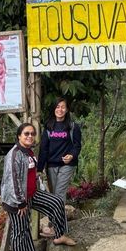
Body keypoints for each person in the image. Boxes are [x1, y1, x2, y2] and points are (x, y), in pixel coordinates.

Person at [0, 122, 76, 251]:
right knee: (21, 231)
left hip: (32, 194)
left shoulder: (28, 152)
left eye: (32, 134)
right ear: (19, 136)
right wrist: (20, 203)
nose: (29, 136)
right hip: (17, 200)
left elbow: (32, 175)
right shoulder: (14, 154)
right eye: (26, 134)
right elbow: (12, 180)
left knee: (56, 202)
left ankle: (59, 235)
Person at [37, 97, 82, 236]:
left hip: (66, 165)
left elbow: (77, 146)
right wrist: (39, 169)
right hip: (51, 165)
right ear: (54, 109)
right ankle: (57, 225)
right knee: (53, 196)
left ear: (67, 109)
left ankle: (57, 228)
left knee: (59, 194)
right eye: (57, 107)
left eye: (63, 107)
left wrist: (71, 156)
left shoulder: (73, 126)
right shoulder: (49, 127)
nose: (60, 110)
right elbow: (44, 149)